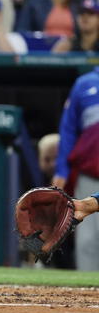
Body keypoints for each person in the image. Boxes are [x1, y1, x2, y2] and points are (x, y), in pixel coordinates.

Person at [52, 66, 99, 270]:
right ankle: (88, 293)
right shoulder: (85, 83)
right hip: (90, 173)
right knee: (87, 241)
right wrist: (61, 169)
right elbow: (68, 129)